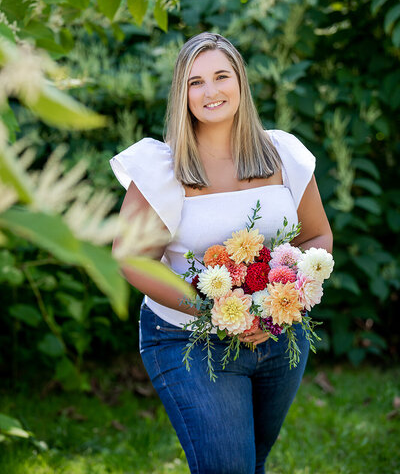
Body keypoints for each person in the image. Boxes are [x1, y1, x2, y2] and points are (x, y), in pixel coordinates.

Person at [110, 32, 332, 474]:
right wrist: (213, 310)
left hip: (278, 337)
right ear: (182, 93)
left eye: (221, 76)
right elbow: (131, 258)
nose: (211, 92)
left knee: (252, 463)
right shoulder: (163, 169)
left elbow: (317, 238)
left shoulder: (282, 154)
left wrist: (276, 310)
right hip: (186, 340)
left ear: (240, 83)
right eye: (196, 82)